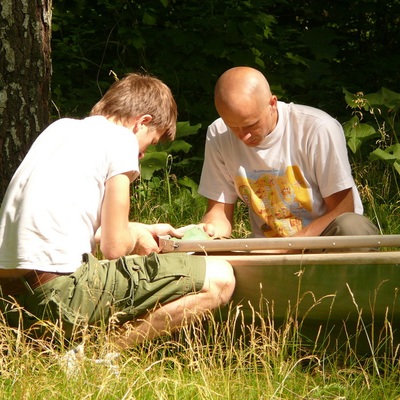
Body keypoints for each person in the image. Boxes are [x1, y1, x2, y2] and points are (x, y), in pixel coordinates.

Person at [0, 72, 235, 348]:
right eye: (152, 141)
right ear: (142, 122)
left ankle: (65, 345)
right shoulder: (122, 139)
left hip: (10, 301)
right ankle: (98, 353)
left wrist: (140, 230)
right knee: (220, 277)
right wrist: (135, 238)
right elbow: (113, 248)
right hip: (56, 294)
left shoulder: (59, 129)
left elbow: (82, 228)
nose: (144, 154)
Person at [198, 66, 378, 242]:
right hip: (266, 249)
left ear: (272, 103)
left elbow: (343, 210)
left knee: (353, 226)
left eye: (251, 125)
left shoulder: (317, 129)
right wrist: (210, 232)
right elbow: (218, 212)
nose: (243, 136)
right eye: (233, 127)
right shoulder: (218, 133)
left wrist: (288, 247)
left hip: (324, 242)